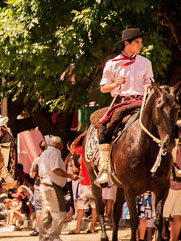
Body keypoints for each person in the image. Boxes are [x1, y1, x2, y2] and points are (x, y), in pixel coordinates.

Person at [95, 28, 154, 186]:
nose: (140, 46)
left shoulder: (145, 62)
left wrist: (149, 87)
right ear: (126, 43)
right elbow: (103, 88)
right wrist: (115, 84)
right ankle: (104, 167)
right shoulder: (112, 64)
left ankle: (169, 164)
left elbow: (149, 82)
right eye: (137, 43)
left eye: (140, 43)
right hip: (121, 101)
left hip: (142, 102)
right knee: (105, 128)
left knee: (162, 121)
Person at [38, 136, 80, 241]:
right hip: (52, 186)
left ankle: (43, 236)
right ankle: (54, 236)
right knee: (60, 213)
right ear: (58, 145)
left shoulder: (44, 153)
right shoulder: (55, 153)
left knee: (46, 214)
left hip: (44, 184)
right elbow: (55, 170)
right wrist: (70, 176)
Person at [70, 144, 98, 234]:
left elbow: (73, 146)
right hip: (94, 183)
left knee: (81, 207)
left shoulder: (83, 150)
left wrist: (82, 135)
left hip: (84, 182)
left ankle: (77, 229)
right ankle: (92, 228)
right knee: (94, 207)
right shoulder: (96, 151)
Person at [164, 122, 181, 241]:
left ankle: (160, 237)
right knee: (177, 216)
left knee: (161, 216)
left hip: (170, 185)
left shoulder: (172, 147)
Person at [29, 140, 48, 236]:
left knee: (39, 209)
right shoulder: (52, 159)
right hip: (49, 186)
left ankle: (38, 228)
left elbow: (32, 175)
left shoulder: (37, 160)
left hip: (38, 186)